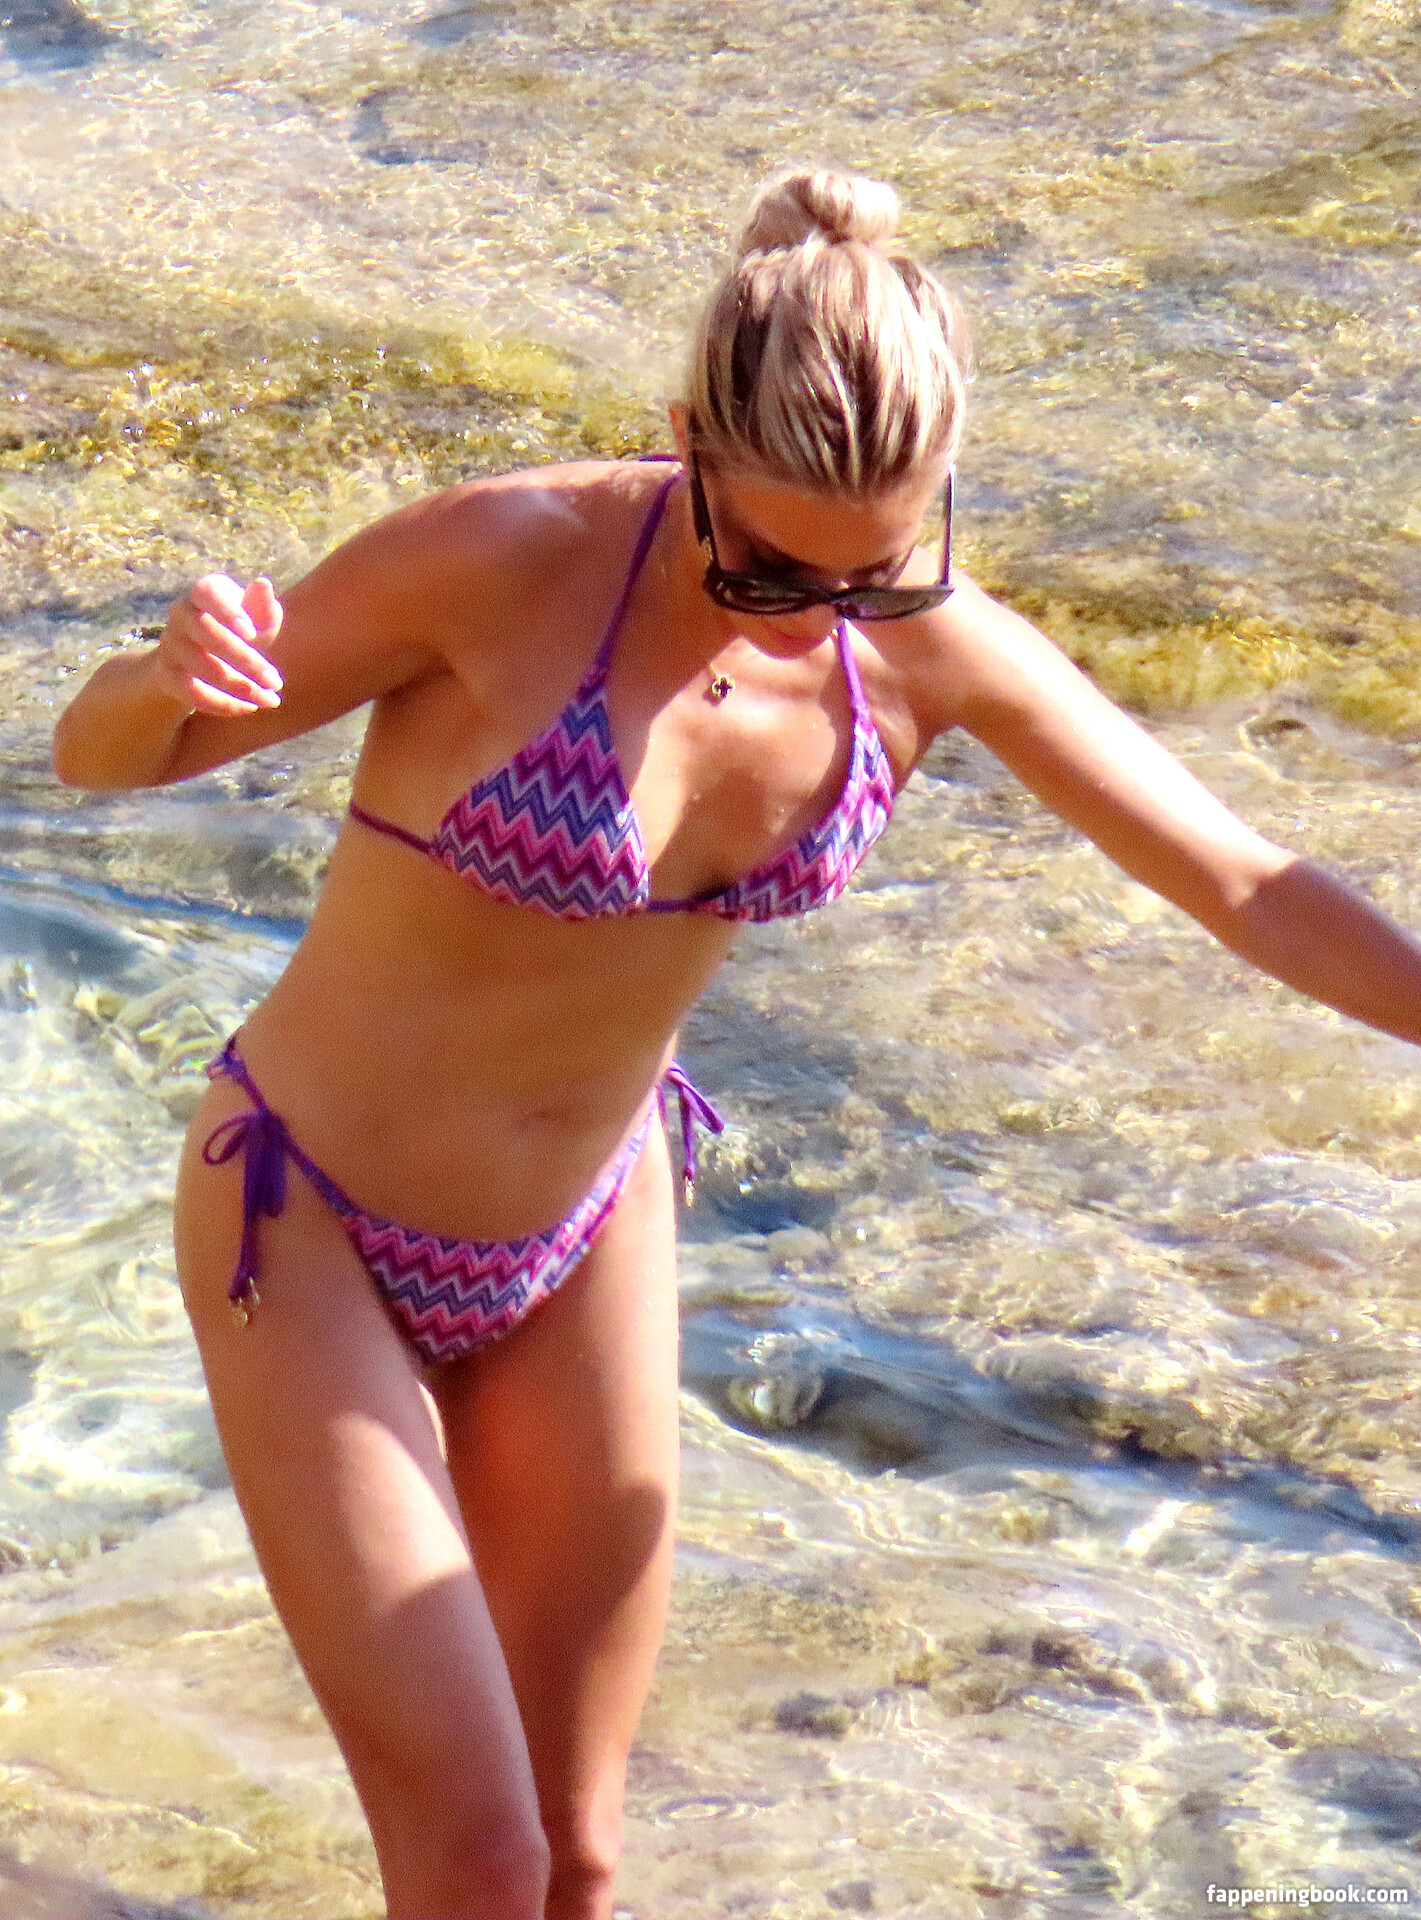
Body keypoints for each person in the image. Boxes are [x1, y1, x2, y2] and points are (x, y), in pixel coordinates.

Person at [49, 167, 1421, 1920]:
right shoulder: (502, 558)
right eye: (762, 562)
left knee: (579, 1857)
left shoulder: (930, 653)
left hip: (583, 1229)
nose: (804, 615)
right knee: (475, 1859)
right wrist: (167, 673)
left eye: (868, 573)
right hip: (306, 1219)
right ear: (684, 437)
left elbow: (1239, 882)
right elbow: (107, 757)